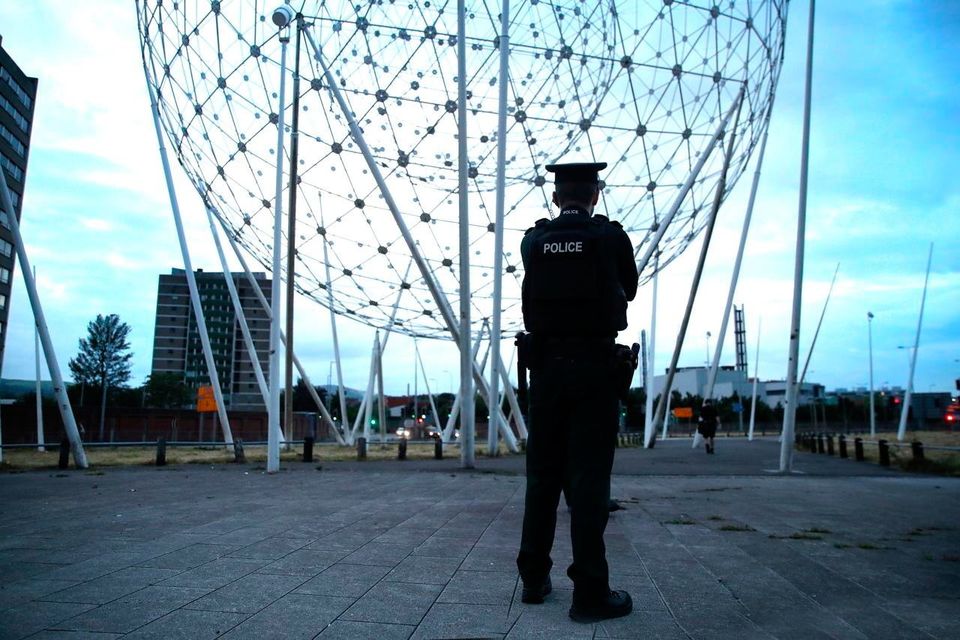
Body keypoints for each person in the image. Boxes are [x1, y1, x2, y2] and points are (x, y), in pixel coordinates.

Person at [515, 161, 638, 623]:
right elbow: (628, 285)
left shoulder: (534, 241)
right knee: (587, 482)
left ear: (555, 197)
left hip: (545, 374)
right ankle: (589, 592)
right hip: (593, 372)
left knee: (541, 478)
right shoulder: (609, 238)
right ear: (596, 195)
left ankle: (532, 578)